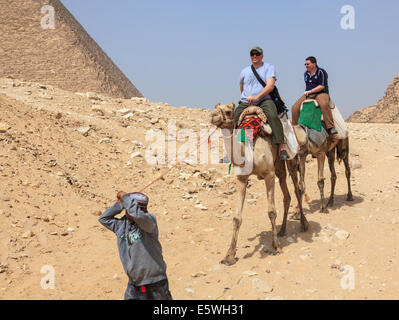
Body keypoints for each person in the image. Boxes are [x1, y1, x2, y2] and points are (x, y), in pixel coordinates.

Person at [99, 191, 172, 300]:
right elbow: (104, 219)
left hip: (156, 283)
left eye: (130, 209)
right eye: (126, 210)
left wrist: (125, 198)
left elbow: (138, 215)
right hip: (134, 283)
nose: (127, 213)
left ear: (141, 210)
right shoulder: (122, 225)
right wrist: (120, 204)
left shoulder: (149, 222)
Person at [235, 46, 288, 160]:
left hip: (264, 99)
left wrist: (256, 97)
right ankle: (233, 148)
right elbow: (242, 87)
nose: (254, 56)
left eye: (257, 54)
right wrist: (248, 98)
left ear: (262, 56)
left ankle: (281, 145)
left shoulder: (269, 67)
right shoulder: (244, 71)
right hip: (247, 101)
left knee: (273, 116)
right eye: (252, 54)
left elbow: (270, 86)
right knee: (234, 117)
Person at [291, 56, 338, 136]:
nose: (306, 66)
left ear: (314, 64)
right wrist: (309, 92)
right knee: (294, 107)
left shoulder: (321, 72)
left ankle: (330, 127)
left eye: (308, 64)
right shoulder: (306, 74)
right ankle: (295, 128)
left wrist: (311, 91)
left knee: (323, 104)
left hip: (321, 93)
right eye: (305, 64)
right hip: (309, 94)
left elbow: (322, 86)